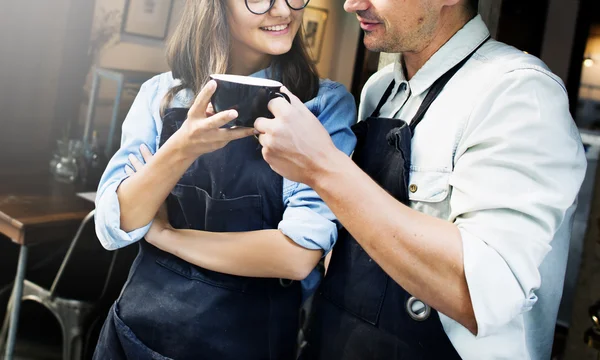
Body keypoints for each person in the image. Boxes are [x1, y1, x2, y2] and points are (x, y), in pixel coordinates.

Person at [254, 0, 587, 359]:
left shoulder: (519, 93)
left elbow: (483, 293)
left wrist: (322, 167)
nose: (352, 4)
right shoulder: (380, 90)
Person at [91, 0, 357, 357]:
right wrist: (182, 148)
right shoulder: (162, 95)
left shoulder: (321, 106)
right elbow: (115, 225)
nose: (283, 10)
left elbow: (296, 255)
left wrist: (166, 235)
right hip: (135, 336)